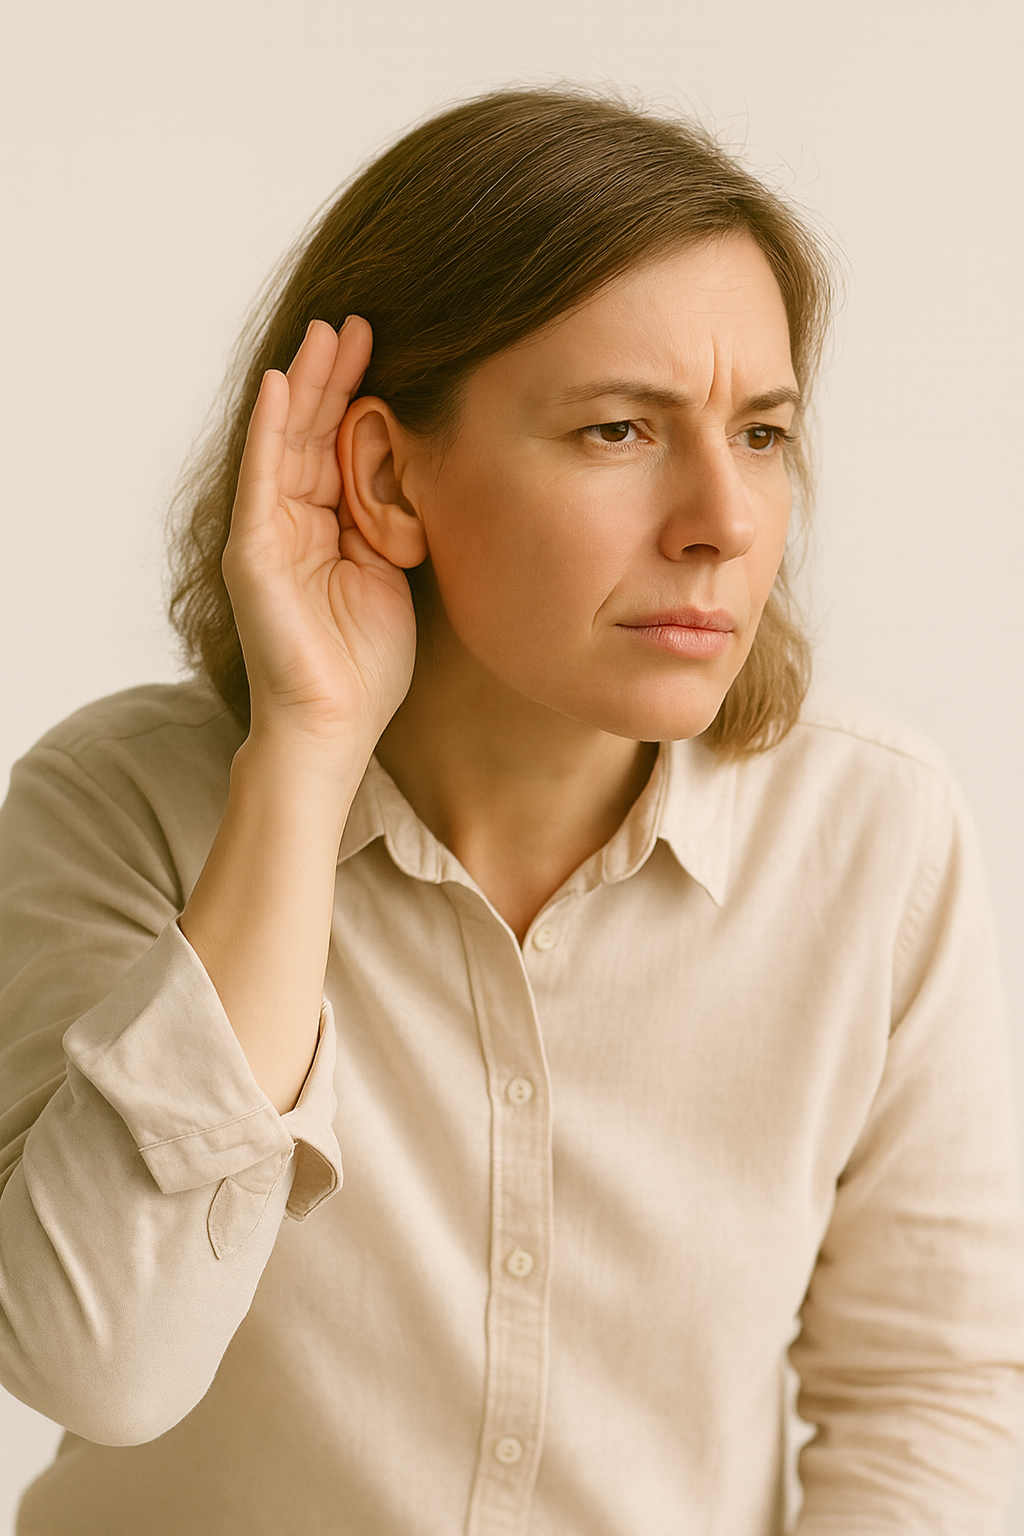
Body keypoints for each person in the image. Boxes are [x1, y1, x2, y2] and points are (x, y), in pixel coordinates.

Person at [0, 86, 1021, 1535]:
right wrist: (303, 759)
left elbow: (932, 1397)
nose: (725, 522)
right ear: (386, 477)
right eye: (619, 429)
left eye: (763, 434)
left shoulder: (877, 837)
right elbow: (100, 1366)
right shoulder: (118, 807)